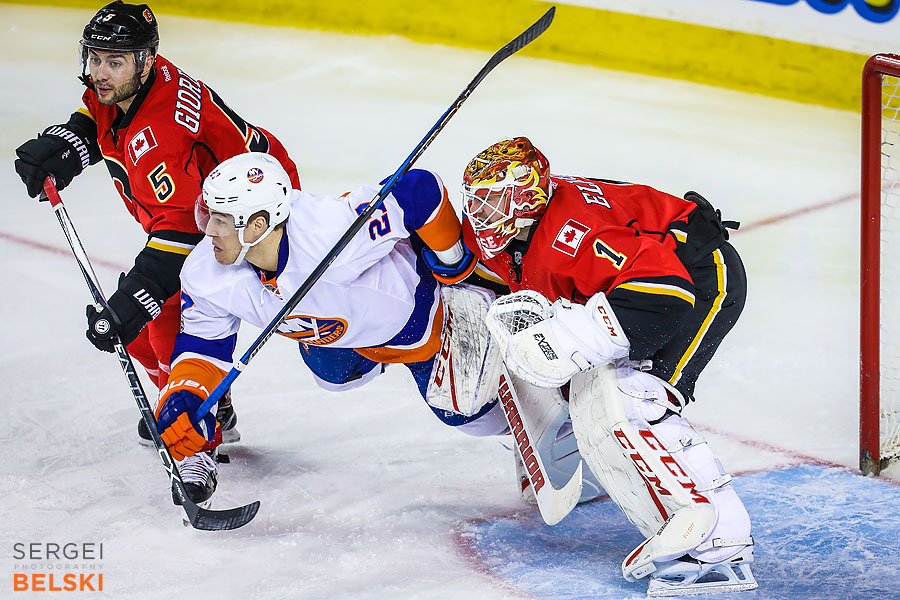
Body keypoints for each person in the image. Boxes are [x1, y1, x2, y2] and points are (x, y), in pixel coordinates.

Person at [460, 137, 757, 596]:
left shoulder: (572, 232)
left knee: (640, 396)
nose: (482, 215)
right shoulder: (520, 233)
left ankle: (719, 542)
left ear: (527, 194)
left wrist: (567, 340)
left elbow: (664, 295)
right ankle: (613, 470)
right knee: (595, 392)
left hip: (698, 278)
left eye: (494, 200)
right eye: (477, 202)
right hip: (647, 284)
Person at [13, 2, 301, 453]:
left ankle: (197, 433)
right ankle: (210, 401)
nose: (99, 73)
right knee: (138, 334)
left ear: (144, 62)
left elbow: (184, 231)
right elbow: (99, 117)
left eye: (114, 62)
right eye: (93, 58)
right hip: (211, 208)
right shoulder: (133, 83)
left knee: (166, 327)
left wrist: (137, 296)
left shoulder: (161, 136)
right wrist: (67, 147)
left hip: (251, 219)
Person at [151, 152, 514, 504]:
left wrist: (455, 265)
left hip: (426, 318)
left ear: (258, 225)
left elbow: (419, 190)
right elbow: (202, 347)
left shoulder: (331, 233)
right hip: (344, 334)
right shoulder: (206, 271)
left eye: (221, 220)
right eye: (210, 215)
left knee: (469, 417)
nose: (207, 230)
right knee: (332, 375)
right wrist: (186, 395)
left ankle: (526, 417)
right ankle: (362, 355)